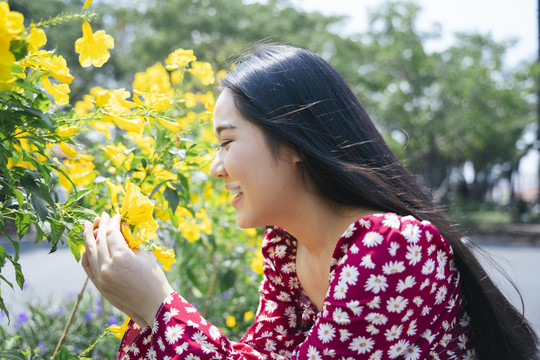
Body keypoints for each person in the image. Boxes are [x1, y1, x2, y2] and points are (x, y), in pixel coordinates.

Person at [82, 45, 539, 360]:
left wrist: (158, 306)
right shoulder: (287, 249)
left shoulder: (393, 248)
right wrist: (147, 304)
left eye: (226, 142)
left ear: (295, 139)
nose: (214, 168)